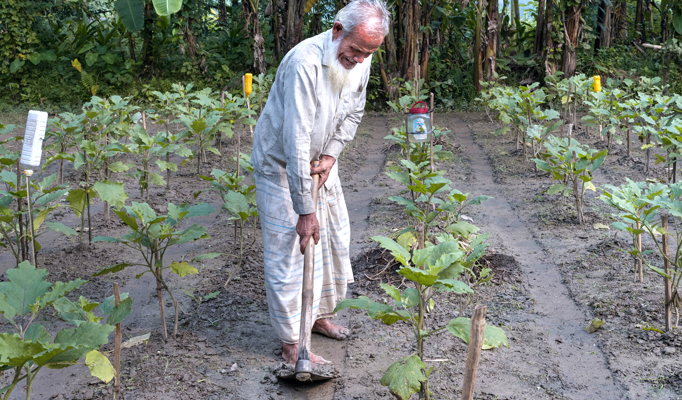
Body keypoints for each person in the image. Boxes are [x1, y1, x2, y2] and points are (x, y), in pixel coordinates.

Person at [251, 0, 389, 365]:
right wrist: (304, 209)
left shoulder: (362, 55)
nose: (360, 60)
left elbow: (355, 109)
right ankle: (292, 342)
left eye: (368, 53)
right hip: (281, 164)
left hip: (321, 159)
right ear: (336, 30)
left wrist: (331, 155)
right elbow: (294, 141)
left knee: (332, 238)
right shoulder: (304, 64)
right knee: (290, 251)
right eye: (356, 50)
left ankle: (319, 317)